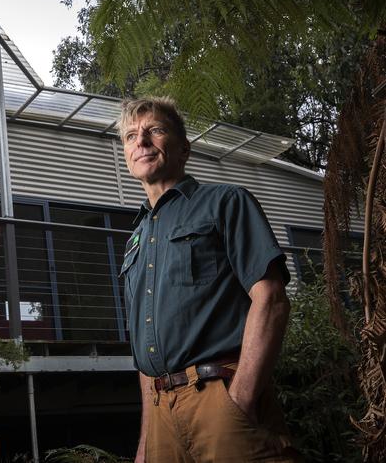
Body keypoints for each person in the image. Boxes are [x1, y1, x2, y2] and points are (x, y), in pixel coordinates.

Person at [118, 97, 299, 462]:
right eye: (131, 136)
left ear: (184, 148)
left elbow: (272, 300)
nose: (142, 141)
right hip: (159, 418)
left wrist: (241, 400)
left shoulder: (226, 202)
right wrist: (145, 441)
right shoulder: (133, 242)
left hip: (220, 397)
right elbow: (145, 347)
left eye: (155, 130)